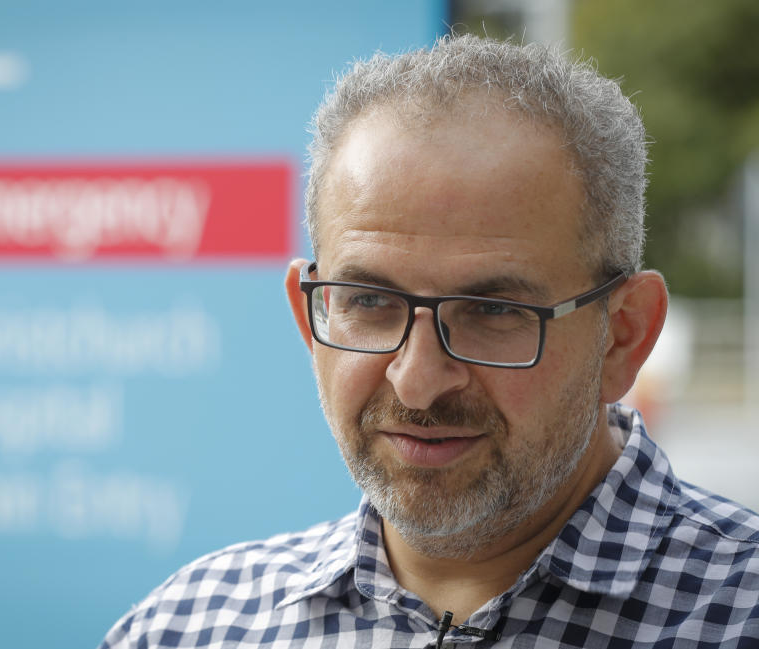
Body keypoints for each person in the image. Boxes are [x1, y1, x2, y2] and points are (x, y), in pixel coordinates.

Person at [99, 35, 759, 648]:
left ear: (624, 336)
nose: (417, 380)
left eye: (492, 310)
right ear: (311, 323)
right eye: (369, 302)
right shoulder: (190, 626)